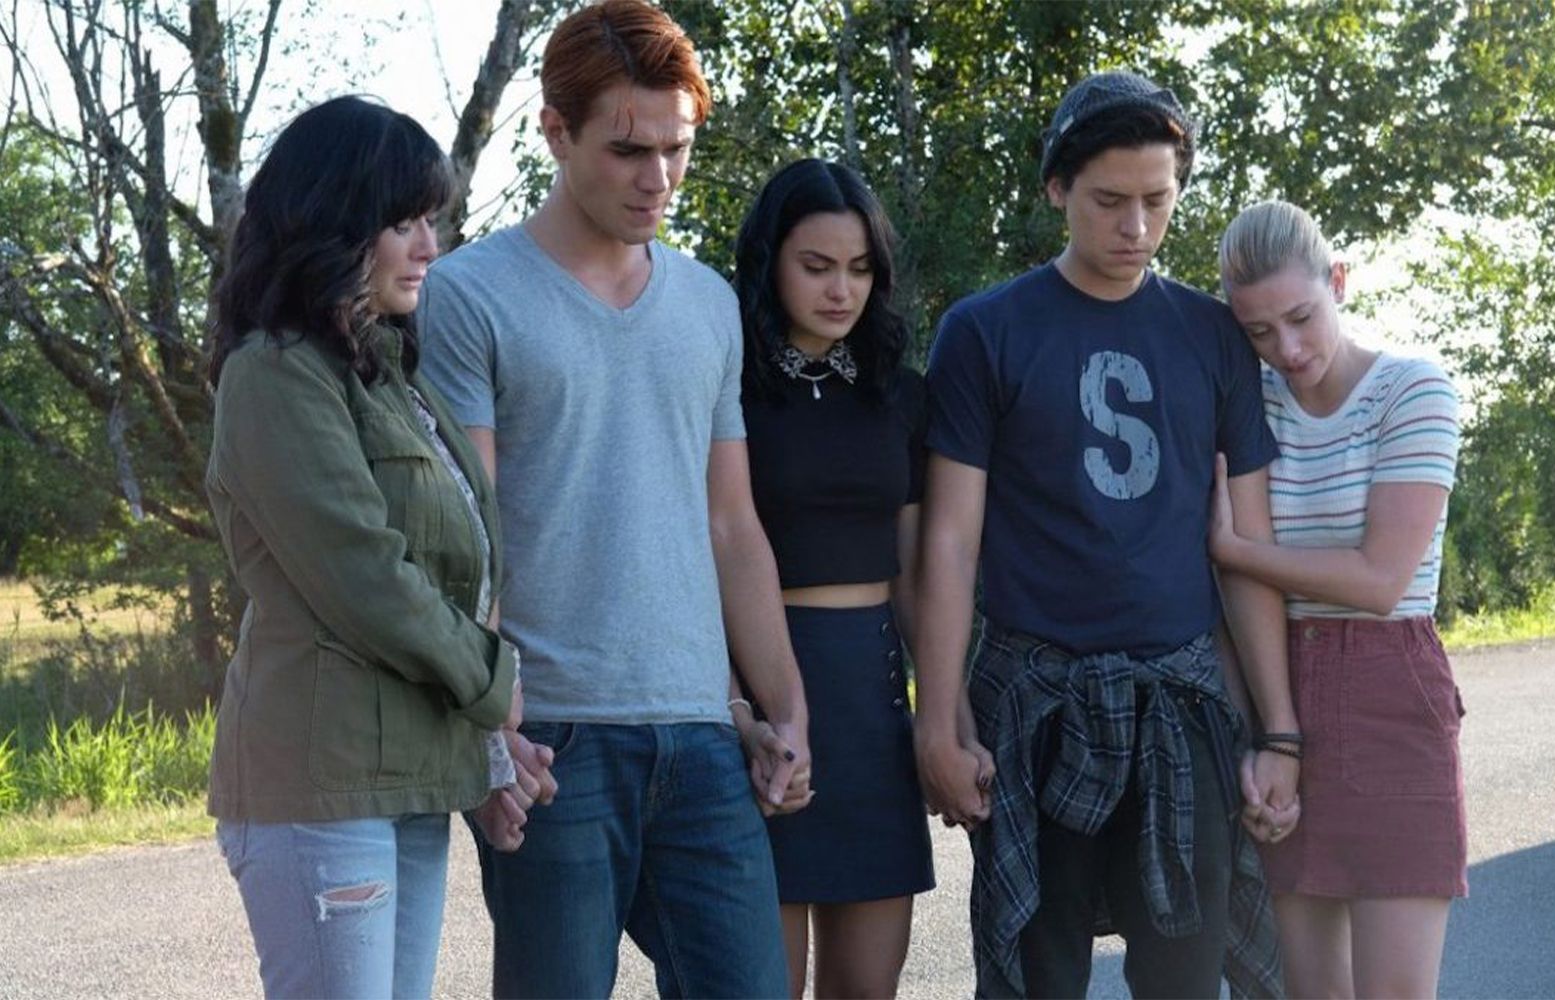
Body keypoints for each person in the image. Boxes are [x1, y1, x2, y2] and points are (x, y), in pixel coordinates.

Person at [415, 2, 811, 997]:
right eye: (629, 150)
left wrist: (785, 708)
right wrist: (490, 730)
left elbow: (732, 526)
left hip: (703, 735)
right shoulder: (468, 294)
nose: (659, 178)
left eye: (677, 149)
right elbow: (469, 537)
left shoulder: (709, 303)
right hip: (552, 739)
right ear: (555, 131)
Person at [912, 70, 1300, 998]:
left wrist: (1278, 735)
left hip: (1183, 708)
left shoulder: (1215, 337)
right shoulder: (984, 332)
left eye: (1158, 201)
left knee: (1184, 982)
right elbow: (950, 545)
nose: (1136, 227)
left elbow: (1248, 550)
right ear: (1057, 188)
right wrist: (939, 719)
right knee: (1036, 978)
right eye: (1109, 201)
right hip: (1037, 708)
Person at [205, 96, 553, 998]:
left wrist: (483, 751)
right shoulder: (273, 373)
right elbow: (368, 577)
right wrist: (497, 683)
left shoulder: (390, 374)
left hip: (407, 784)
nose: (430, 245)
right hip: (319, 785)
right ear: (333, 224)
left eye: (431, 219)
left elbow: (461, 570)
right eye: (404, 222)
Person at [1212, 199, 1466, 999]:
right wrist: (1264, 732)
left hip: (1393, 694)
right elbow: (1235, 602)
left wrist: (1239, 551)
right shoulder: (1248, 403)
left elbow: (1381, 579)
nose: (1287, 350)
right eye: (1259, 332)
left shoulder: (1414, 391)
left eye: (1301, 317)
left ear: (1340, 283)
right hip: (1280, 689)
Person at [731, 158, 935, 998]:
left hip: (872, 703)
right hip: (759, 698)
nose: (841, 290)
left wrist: (945, 712)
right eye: (816, 266)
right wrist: (736, 707)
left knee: (866, 991)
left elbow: (917, 572)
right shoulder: (727, 389)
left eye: (859, 268)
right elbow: (704, 555)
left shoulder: (900, 395)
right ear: (770, 262)